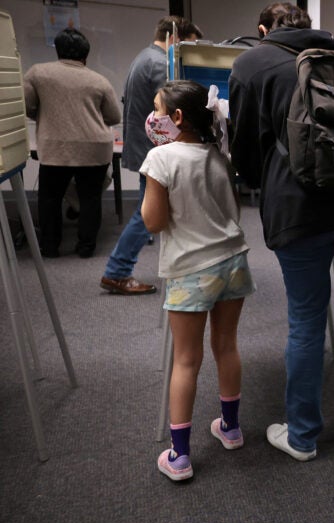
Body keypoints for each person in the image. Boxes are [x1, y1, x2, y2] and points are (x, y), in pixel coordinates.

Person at [229, 3, 334, 461]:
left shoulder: (252, 62)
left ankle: (302, 436)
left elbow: (243, 152)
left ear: (264, 30)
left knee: (306, 319)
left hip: (299, 209)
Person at [140, 80, 254, 481]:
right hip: (234, 261)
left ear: (177, 118)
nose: (151, 116)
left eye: (157, 109)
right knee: (227, 345)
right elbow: (233, 211)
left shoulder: (160, 158)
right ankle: (231, 428)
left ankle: (181, 457)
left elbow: (153, 221)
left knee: (186, 360)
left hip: (191, 269)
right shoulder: (218, 155)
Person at [100, 16, 203, 295]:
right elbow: (175, 109)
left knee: (153, 212)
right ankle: (117, 271)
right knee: (148, 215)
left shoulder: (144, 56)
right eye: (188, 45)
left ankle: (121, 270)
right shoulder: (161, 64)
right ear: (175, 38)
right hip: (154, 149)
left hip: (144, 145)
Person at [23, 28, 120, 258]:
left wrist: (43, 115)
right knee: (90, 198)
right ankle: (86, 248)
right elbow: (114, 117)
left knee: (50, 198)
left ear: (57, 50)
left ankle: (50, 247)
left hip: (56, 147)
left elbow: (26, 107)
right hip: (95, 148)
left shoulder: (38, 73)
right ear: (85, 55)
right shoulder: (100, 80)